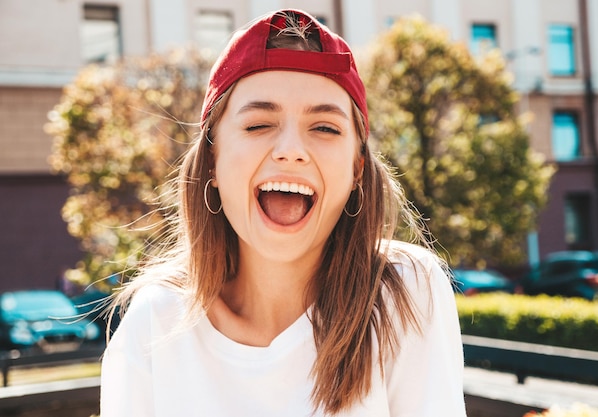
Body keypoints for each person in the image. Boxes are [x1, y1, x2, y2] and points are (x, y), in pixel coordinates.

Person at [100, 8, 466, 417]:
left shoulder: (407, 292)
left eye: (325, 128)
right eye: (258, 125)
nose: (290, 149)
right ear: (211, 163)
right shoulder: (155, 320)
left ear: (357, 169)